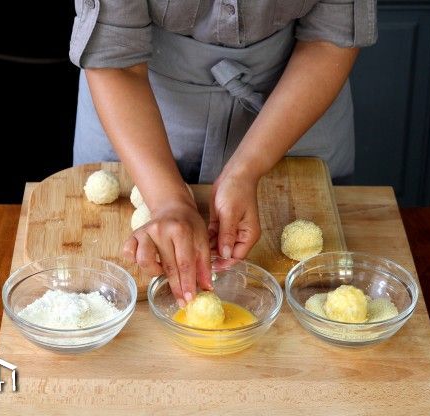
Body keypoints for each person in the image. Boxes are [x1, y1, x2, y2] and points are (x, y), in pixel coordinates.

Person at [69, 0, 377, 307]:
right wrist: (166, 200)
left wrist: (247, 169)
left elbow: (329, 39)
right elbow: (117, 59)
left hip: (296, 102)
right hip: (137, 108)